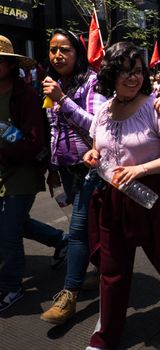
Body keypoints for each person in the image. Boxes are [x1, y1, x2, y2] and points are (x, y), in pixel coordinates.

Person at [82, 41, 160, 350]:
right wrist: (92, 154)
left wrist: (140, 171)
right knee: (112, 268)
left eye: (139, 71)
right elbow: (98, 149)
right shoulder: (102, 111)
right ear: (111, 74)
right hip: (113, 198)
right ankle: (106, 336)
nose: (133, 77)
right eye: (126, 71)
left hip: (154, 196)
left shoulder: (156, 107)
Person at [38, 28, 107, 325]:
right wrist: (53, 166)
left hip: (91, 169)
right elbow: (54, 127)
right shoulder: (53, 84)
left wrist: (63, 99)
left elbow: (97, 128)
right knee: (90, 226)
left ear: (78, 53)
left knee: (78, 230)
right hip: (66, 169)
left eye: (65, 49)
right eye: (53, 49)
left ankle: (69, 295)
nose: (58, 55)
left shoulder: (93, 83)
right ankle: (104, 270)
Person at [0, 34, 64, 312]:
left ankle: (11, 287)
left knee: (6, 233)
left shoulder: (25, 95)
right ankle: (60, 240)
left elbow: (34, 142)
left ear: (10, 65)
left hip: (22, 173)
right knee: (13, 224)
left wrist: (4, 139)